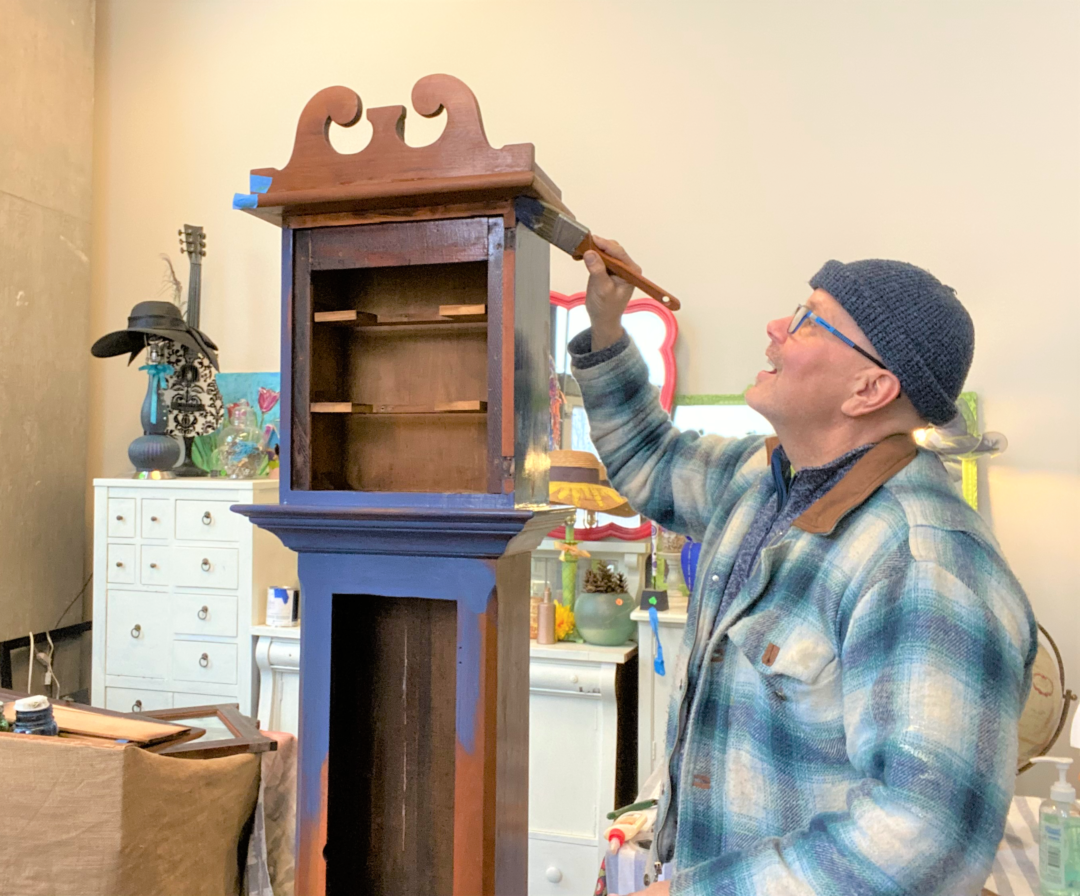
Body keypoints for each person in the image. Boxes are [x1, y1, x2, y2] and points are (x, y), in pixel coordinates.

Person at [570, 240, 1037, 896]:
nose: (775, 328)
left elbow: (926, 837)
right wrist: (609, 324)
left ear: (870, 388)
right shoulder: (761, 479)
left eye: (808, 318)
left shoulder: (925, 568)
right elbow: (650, 454)